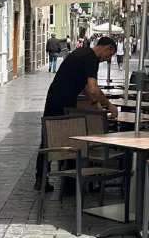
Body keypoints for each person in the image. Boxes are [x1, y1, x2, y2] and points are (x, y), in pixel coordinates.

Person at [36, 36, 120, 194]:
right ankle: (68, 183)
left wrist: (96, 104)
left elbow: (86, 87)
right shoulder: (91, 59)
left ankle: (43, 178)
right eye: (110, 55)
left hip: (55, 97)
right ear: (107, 48)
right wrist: (109, 105)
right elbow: (94, 88)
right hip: (63, 100)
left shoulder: (82, 53)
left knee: (49, 138)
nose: (107, 59)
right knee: (68, 139)